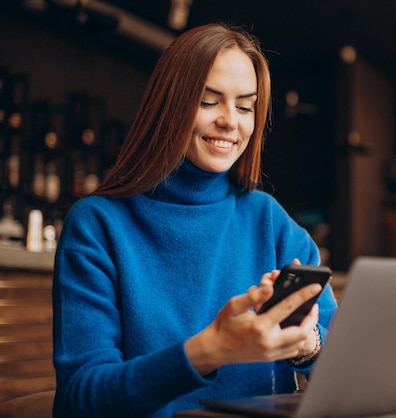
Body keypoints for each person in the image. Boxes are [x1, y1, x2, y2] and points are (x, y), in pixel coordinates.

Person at [52, 22, 337, 418]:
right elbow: (80, 399)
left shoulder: (271, 222)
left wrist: (308, 345)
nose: (229, 121)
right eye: (208, 101)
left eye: (244, 106)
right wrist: (210, 350)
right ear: (169, 105)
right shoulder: (98, 226)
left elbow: (347, 363)